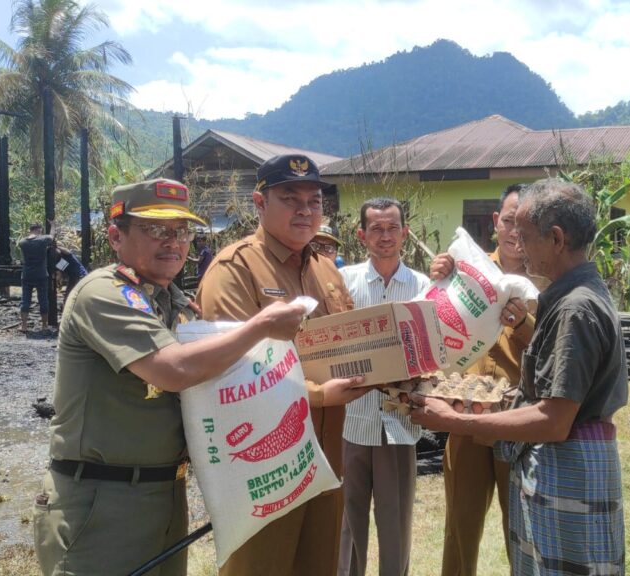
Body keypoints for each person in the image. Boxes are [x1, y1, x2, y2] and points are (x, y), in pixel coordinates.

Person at [32, 178, 309, 576]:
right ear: (115, 235)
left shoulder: (177, 306)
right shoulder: (103, 294)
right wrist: (261, 325)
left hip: (165, 492)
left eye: (182, 231)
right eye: (155, 229)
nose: (173, 242)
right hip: (101, 500)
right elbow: (174, 370)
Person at [412, 179, 627, 576]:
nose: (519, 243)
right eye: (510, 228)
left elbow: (554, 419)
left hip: (563, 462)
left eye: (525, 235)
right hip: (557, 455)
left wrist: (455, 420)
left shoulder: (574, 309)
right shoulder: (575, 295)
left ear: (557, 238)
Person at [198, 154, 371, 576]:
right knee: (261, 566)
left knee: (319, 565)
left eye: (314, 201)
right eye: (289, 198)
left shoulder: (326, 268)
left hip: (326, 458)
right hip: (264, 468)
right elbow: (230, 371)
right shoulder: (234, 268)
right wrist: (318, 395)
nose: (305, 209)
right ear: (259, 203)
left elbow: (345, 345)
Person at [429, 184, 545, 576]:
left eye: (525, 225)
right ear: (496, 222)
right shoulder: (467, 270)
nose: (515, 232)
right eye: (509, 221)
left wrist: (525, 322)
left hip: (518, 422)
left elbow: (553, 348)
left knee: (523, 531)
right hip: (465, 417)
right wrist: (440, 280)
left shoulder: (545, 283)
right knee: (460, 531)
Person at [337, 198, 430, 576]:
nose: (385, 236)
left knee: (396, 526)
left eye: (392, 227)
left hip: (399, 423)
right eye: (376, 228)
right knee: (348, 524)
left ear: (405, 233)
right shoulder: (344, 284)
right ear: (362, 235)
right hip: (351, 422)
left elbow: (433, 352)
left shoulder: (423, 286)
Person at [18, 223, 55, 333]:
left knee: (25, 299)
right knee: (43, 299)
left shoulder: (22, 242)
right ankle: (44, 325)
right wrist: (52, 225)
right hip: (41, 274)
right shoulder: (43, 240)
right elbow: (52, 236)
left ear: (30, 230)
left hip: (27, 274)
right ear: (39, 230)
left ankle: (24, 325)